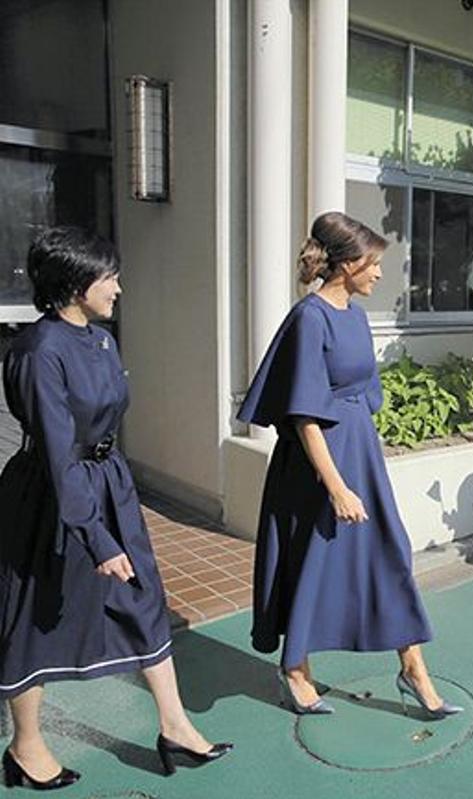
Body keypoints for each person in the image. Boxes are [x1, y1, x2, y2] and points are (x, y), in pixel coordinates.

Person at [0, 228, 230, 790]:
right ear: (76, 283)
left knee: (144, 598)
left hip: (108, 484)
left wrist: (115, 506)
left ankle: (175, 725)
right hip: (52, 497)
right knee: (33, 614)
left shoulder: (101, 340)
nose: (119, 288)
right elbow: (57, 456)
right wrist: (95, 536)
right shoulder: (38, 350)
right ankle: (25, 747)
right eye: (110, 278)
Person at [238, 212, 457, 719]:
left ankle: (413, 667)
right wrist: (336, 486)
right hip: (318, 464)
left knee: (390, 553)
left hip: (360, 451)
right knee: (310, 563)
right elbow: (303, 414)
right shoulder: (308, 318)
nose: (379, 274)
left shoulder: (354, 313)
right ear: (345, 264)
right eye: (373, 263)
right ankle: (296, 669)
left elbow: (361, 391)